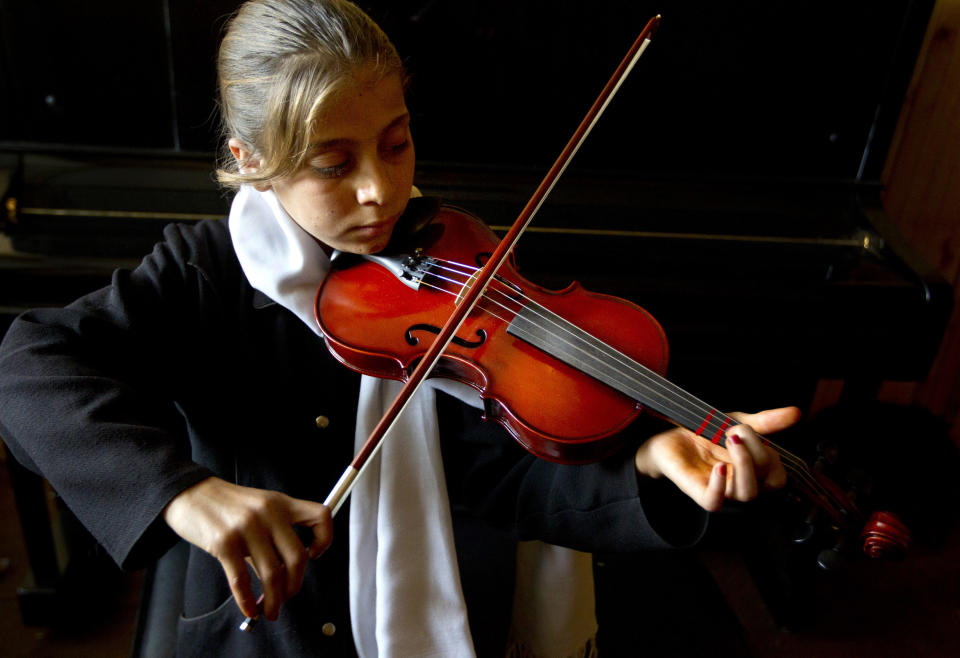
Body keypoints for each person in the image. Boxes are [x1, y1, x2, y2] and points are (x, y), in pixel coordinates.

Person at [0, 0, 799, 655]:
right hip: (261, 630)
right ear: (252, 160)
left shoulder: (453, 256)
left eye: (396, 143)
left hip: (442, 608)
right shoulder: (205, 270)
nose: (381, 192)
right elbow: (24, 364)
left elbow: (502, 471)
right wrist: (183, 492)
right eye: (333, 164)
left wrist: (653, 457)